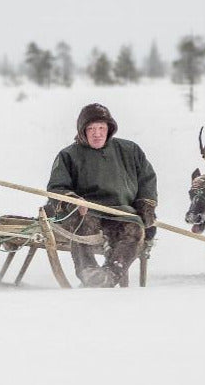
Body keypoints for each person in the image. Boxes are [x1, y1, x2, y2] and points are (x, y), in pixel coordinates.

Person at [46, 103, 158, 287]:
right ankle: (89, 272)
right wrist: (72, 201)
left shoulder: (130, 151)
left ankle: (111, 274)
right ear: (82, 131)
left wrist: (146, 205)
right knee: (83, 227)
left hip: (123, 212)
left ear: (109, 129)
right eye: (91, 129)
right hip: (87, 211)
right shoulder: (68, 155)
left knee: (135, 230)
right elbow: (57, 187)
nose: (96, 133)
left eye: (101, 128)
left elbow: (147, 180)